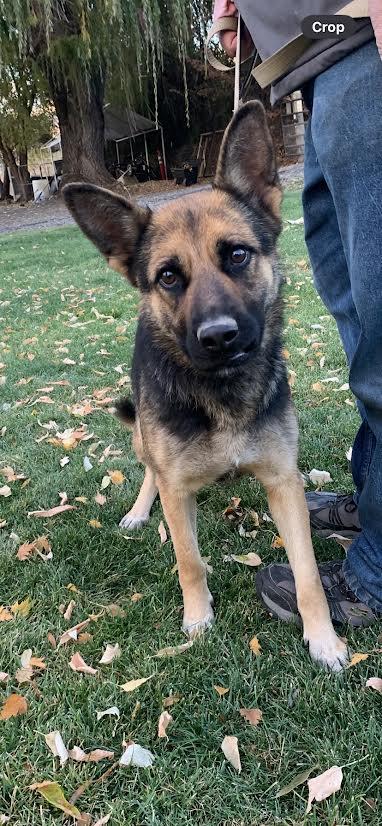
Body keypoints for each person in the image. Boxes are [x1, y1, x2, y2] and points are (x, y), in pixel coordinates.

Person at [213, 0, 382, 627]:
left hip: (365, 41)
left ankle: (377, 571)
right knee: (362, 324)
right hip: (320, 54)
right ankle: (374, 500)